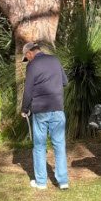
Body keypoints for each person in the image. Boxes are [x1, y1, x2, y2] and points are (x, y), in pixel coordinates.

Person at [22, 41, 69, 190]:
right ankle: (63, 182)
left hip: (40, 110)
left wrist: (24, 108)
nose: (27, 60)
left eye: (26, 57)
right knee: (59, 145)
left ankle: (41, 182)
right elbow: (65, 82)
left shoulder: (32, 65)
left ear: (29, 53)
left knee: (40, 146)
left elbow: (28, 90)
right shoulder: (55, 60)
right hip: (57, 108)